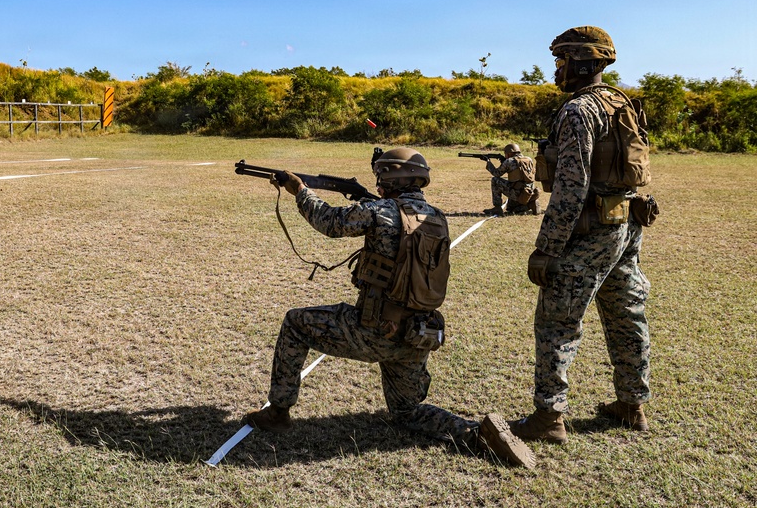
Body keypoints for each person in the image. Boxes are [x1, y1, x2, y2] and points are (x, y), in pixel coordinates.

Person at [245, 147, 535, 468]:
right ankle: (477, 433)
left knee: (296, 324)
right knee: (408, 412)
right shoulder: (437, 217)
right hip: (417, 336)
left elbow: (328, 222)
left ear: (388, 177)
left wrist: (299, 190)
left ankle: (278, 412)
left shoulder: (379, 211)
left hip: (373, 330)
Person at [512, 26, 652, 444]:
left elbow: (571, 188)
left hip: (591, 230)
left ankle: (549, 417)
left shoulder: (578, 112)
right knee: (627, 315)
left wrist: (546, 249)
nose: (557, 70)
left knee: (557, 320)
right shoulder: (620, 102)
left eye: (561, 61)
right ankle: (632, 404)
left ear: (583, 62)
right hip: (626, 225)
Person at [483, 143, 540, 216]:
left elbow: (496, 173)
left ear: (509, 153)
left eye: (505, 153)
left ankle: (497, 207)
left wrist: (488, 162)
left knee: (495, 180)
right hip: (529, 191)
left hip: (517, 192)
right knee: (510, 209)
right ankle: (530, 204)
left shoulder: (509, 161)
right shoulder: (528, 159)